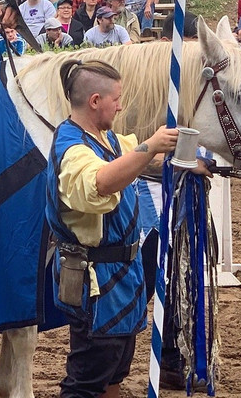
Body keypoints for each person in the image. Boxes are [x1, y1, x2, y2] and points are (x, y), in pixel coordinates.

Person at [46, 59, 183, 398]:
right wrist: (151, 144)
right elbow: (102, 182)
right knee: (86, 382)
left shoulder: (105, 138)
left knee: (113, 375)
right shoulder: (72, 147)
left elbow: (135, 160)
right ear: (95, 101)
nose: (121, 106)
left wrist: (189, 162)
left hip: (121, 278)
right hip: (95, 283)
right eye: (117, 98)